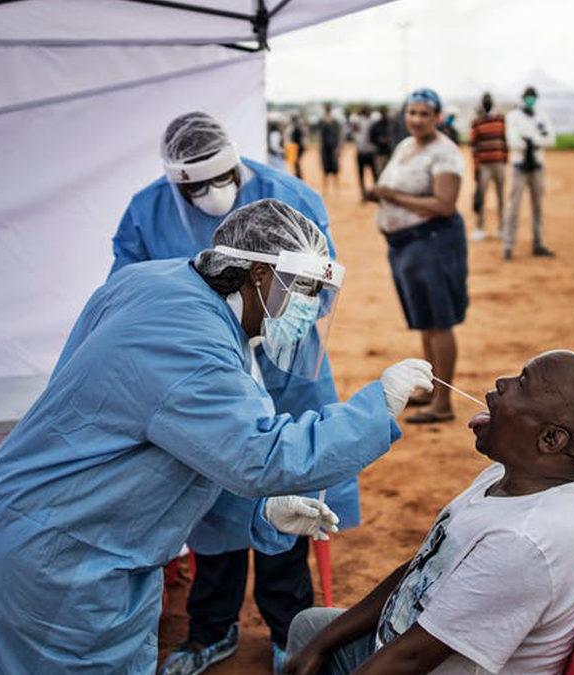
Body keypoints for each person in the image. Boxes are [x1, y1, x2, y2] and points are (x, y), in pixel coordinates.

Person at [0, 199, 436, 674]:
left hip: (25, 522)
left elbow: (169, 444)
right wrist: (377, 407)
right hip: (61, 561)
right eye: (303, 291)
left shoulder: (157, 283)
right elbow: (262, 455)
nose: (308, 309)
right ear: (257, 274)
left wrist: (257, 514)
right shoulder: (190, 343)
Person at [109, 112, 361, 674]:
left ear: (237, 164)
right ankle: (212, 628)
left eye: (221, 179)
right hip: (204, 372)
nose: (211, 193)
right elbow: (130, 292)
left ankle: (287, 627)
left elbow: (319, 284)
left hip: (285, 370)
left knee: (287, 488)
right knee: (210, 494)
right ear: (176, 184)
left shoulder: (290, 198)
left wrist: (273, 326)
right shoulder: (146, 213)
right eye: (195, 187)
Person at [283, 350, 574, 675]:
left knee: (310, 639)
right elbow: (424, 566)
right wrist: (321, 643)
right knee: (310, 628)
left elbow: (411, 657)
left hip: (423, 658)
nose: (501, 382)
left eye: (522, 384)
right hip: (412, 640)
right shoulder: (513, 479)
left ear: (551, 439)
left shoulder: (522, 542)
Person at [364, 88, 467, 426]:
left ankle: (443, 404)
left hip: (432, 243)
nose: (417, 119)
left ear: (437, 117)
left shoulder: (445, 153)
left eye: (424, 114)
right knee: (425, 321)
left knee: (439, 322)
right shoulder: (406, 146)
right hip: (405, 245)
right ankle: (430, 390)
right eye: (412, 112)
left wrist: (391, 196)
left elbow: (444, 204)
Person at [504, 86, 556, 259]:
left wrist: (532, 141)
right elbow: (513, 141)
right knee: (514, 207)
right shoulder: (513, 117)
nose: (530, 100)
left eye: (533, 97)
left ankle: (538, 243)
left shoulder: (542, 116)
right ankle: (508, 246)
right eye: (528, 97)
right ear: (522, 98)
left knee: (538, 207)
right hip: (519, 166)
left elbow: (551, 139)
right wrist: (533, 142)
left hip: (537, 166)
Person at [469, 92, 508, 241]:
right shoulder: (477, 122)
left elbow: (504, 140)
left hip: (499, 164)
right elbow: (474, 146)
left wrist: (504, 159)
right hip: (484, 165)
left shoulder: (500, 119)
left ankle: (502, 228)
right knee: (481, 197)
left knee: (501, 196)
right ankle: (479, 228)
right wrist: (476, 167)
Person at [353, 106, 379, 201]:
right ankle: (365, 195)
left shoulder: (372, 122)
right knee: (367, 175)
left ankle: (374, 195)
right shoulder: (359, 121)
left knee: (373, 175)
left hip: (368, 152)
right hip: (364, 152)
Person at [320, 103, 342, 193]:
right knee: (325, 168)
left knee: (335, 168)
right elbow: (320, 136)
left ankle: (337, 188)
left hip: (333, 148)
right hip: (325, 148)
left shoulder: (335, 121)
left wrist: (338, 147)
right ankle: (326, 189)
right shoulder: (322, 121)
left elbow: (338, 135)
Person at [369, 105, 394, 178]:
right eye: (383, 113)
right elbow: (371, 139)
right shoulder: (375, 125)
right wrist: (379, 140)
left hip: (390, 153)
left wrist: (389, 140)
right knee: (380, 175)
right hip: (379, 153)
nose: (385, 115)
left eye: (386, 113)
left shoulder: (392, 124)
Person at [290, 114, 307, 179]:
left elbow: (299, 139)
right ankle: (298, 174)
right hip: (298, 147)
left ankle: (298, 175)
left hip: (298, 148)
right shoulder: (297, 127)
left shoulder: (296, 128)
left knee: (296, 161)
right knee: (296, 162)